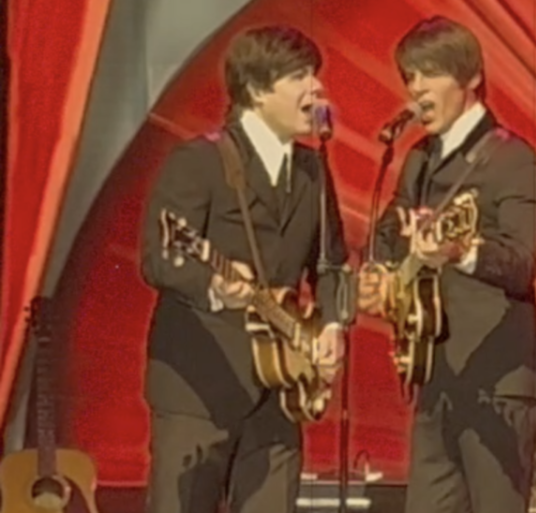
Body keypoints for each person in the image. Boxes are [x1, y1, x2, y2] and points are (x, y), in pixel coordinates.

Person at [137, 25, 348, 513]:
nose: (315, 88)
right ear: (255, 90)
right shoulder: (199, 161)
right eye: (298, 76)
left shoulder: (314, 171)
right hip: (199, 386)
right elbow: (158, 256)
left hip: (281, 387)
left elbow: (332, 264)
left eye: (314, 75)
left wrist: (333, 325)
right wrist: (213, 286)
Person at [356, 15, 536, 513]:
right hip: (434, 373)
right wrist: (380, 279)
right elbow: (387, 237)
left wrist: (460, 251)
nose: (416, 88)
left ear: (469, 78)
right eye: (410, 77)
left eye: (429, 74)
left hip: (496, 383)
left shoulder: (512, 160)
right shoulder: (417, 159)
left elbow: (520, 264)